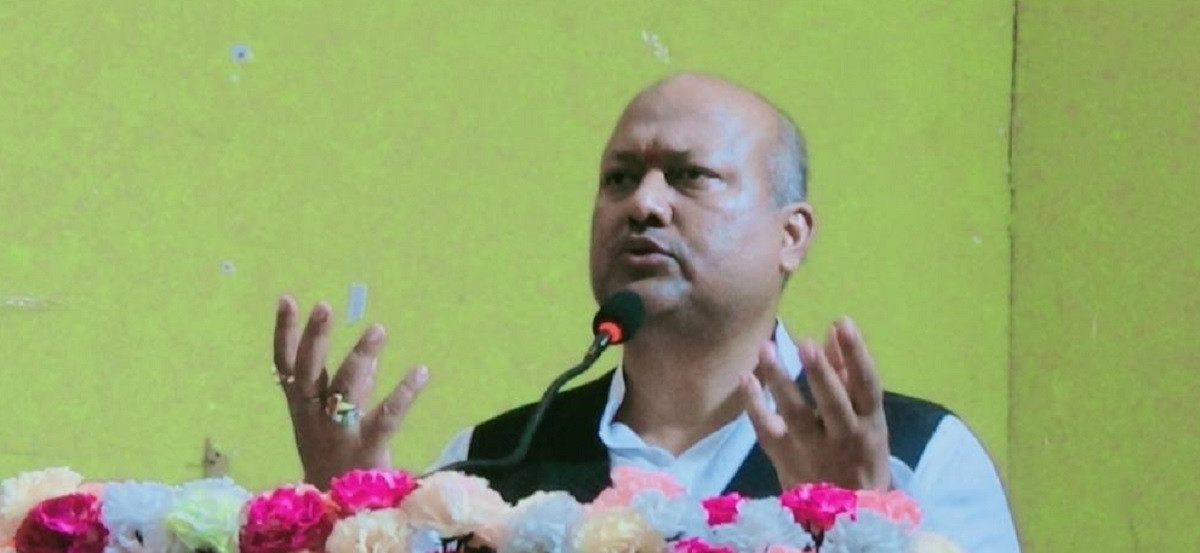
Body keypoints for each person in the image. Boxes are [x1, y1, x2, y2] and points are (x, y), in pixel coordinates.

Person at [271, 72, 1021, 552]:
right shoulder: (488, 466)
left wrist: (864, 522)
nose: (644, 205)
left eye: (690, 176)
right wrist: (351, 520)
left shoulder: (922, 457)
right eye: (620, 178)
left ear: (791, 235)